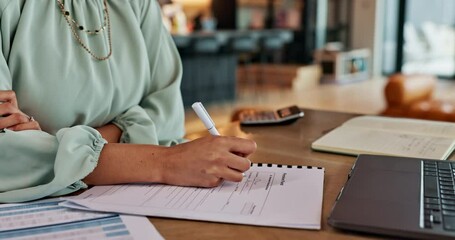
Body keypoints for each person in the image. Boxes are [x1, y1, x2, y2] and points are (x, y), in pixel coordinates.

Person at [0, 0, 256, 203]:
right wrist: (165, 162)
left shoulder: (139, 4)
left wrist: (51, 144)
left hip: (136, 200)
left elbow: (167, 118)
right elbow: (9, 158)